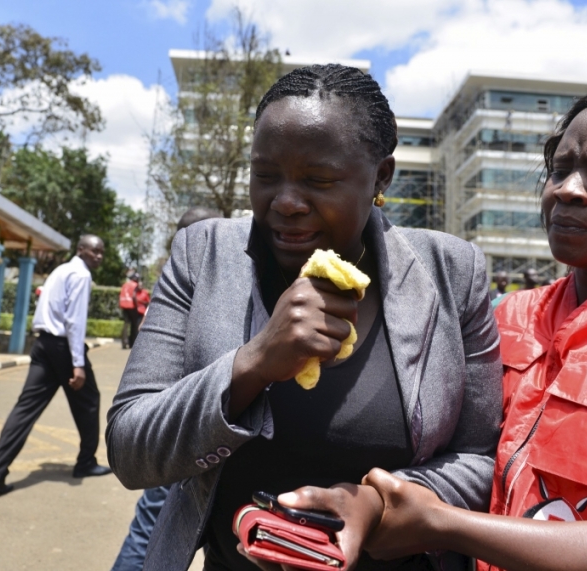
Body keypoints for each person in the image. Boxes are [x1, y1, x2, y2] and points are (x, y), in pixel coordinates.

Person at [280, 82, 587, 570]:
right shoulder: (505, 316)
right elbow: (463, 459)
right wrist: (372, 503)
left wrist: (445, 524)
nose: (567, 190)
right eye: (560, 170)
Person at [106, 64, 502, 571]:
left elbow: (482, 459)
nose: (286, 202)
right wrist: (252, 364)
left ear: (382, 177)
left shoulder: (451, 273)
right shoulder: (202, 255)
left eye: (319, 179)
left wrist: (381, 504)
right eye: (265, 176)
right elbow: (129, 448)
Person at [110, 206, 222, 571]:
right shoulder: (215, 281)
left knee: (152, 526)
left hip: (180, 425)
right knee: (156, 524)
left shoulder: (173, 279)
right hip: (187, 426)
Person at [0, 235, 111, 495]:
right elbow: (74, 322)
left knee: (25, 408)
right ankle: (85, 463)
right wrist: (78, 364)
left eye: (101, 252)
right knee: (89, 401)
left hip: (43, 345)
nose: (99, 256)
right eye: (95, 251)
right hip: (63, 347)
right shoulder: (81, 275)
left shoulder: (60, 270)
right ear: (81, 249)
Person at [119, 273, 140, 349]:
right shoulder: (135, 285)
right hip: (131, 305)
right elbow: (134, 296)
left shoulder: (125, 284)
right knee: (134, 325)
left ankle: (123, 343)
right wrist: (137, 305)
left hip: (123, 304)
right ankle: (132, 343)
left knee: (126, 324)